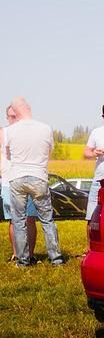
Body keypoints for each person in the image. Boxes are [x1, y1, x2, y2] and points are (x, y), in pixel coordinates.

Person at [4, 97, 63, 267]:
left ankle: (23, 261)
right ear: (28, 108)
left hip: (17, 177)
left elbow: (8, 155)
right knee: (47, 219)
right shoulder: (45, 128)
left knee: (19, 220)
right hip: (39, 176)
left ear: (15, 111)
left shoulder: (11, 131)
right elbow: (49, 152)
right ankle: (56, 258)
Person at [1, 106, 38, 262]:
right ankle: (16, 254)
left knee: (29, 218)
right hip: (8, 182)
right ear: (7, 118)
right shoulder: (3, 133)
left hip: (28, 179)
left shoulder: (30, 133)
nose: (13, 119)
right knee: (13, 219)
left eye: (16, 116)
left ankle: (29, 255)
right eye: (11, 116)